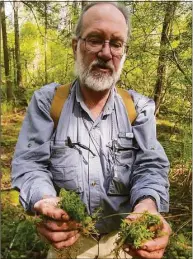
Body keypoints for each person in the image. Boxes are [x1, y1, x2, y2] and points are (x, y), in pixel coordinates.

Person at [12, 2, 171, 259]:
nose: (106, 53)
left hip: (123, 243)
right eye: (95, 40)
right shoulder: (48, 102)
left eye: (116, 43)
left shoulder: (139, 109)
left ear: (123, 52)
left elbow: (150, 166)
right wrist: (43, 200)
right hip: (68, 243)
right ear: (76, 46)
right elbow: (30, 164)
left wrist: (148, 206)